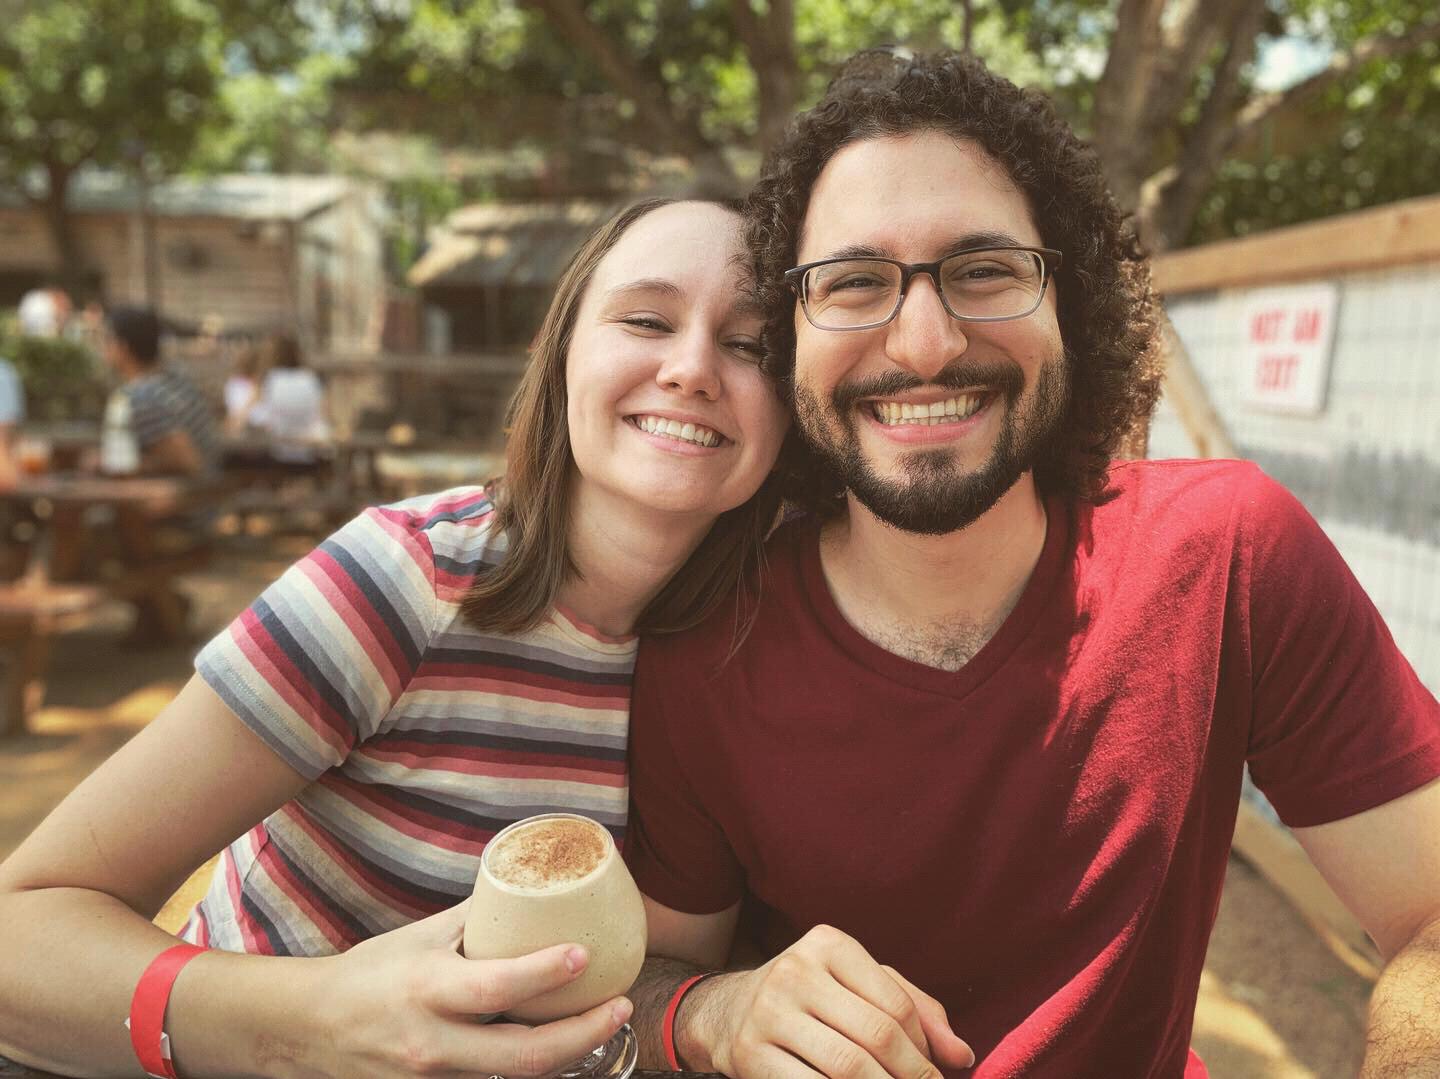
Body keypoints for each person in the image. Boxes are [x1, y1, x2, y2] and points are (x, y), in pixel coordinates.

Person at [620, 49, 1440, 1078]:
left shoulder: (1228, 552)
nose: (922, 341)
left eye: (984, 270)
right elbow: (652, 976)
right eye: (855, 282)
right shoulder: (707, 641)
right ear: (788, 334)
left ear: (1072, 303)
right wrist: (712, 1011)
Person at [0, 198, 788, 1078]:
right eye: (647, 319)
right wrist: (307, 1024)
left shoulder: (759, 653)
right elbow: (20, 937)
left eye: (752, 345)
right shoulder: (404, 582)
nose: (692, 369)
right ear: (559, 351)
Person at [103, 306, 222, 478]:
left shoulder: (141, 397)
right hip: (212, 489)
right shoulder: (175, 378)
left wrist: (122, 464)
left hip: (193, 497)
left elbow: (187, 462)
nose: (103, 348)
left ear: (122, 346)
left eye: (107, 340)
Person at [245, 332, 332, 464]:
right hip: (310, 450)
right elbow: (325, 414)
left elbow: (244, 415)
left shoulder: (269, 379)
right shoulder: (311, 378)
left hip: (276, 452)